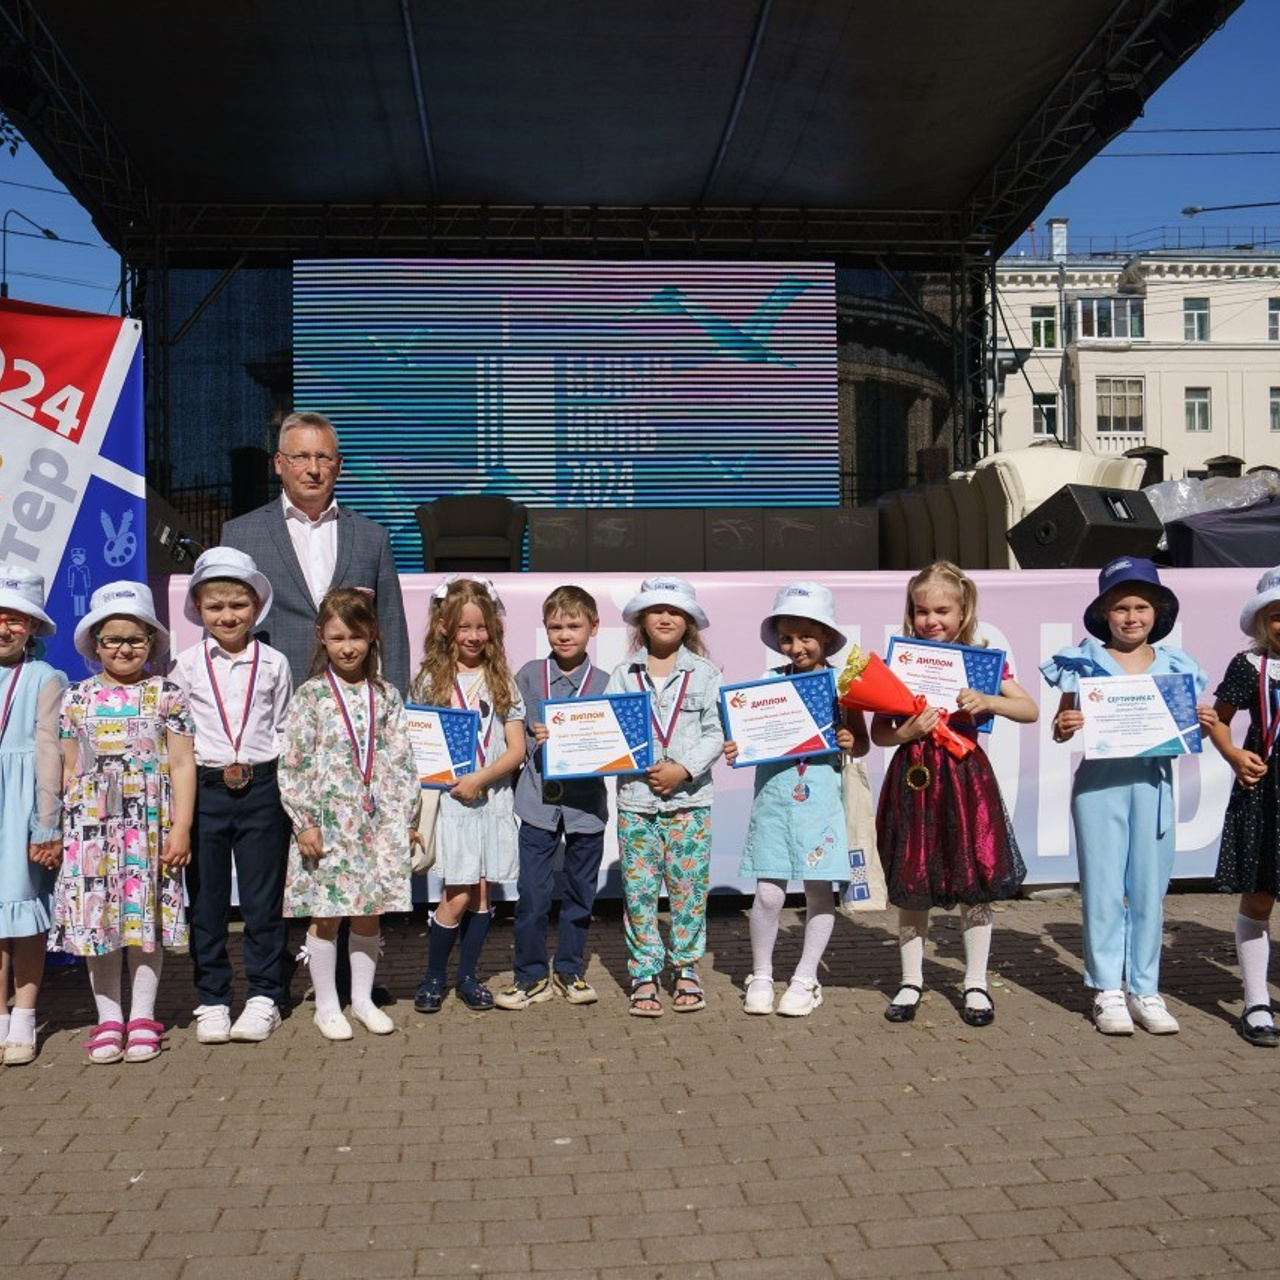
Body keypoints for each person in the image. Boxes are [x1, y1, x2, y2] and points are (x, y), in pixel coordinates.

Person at [1042, 557, 1212, 1036]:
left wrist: (1199, 723)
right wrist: (1065, 725)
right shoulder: (1081, 660)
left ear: (1158, 611)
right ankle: (1106, 990)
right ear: (1103, 612)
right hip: (1100, 788)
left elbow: (1185, 727)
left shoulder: (1178, 666)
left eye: (1140, 606)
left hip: (1154, 787)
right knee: (1101, 890)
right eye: (1120, 607)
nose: (1131, 617)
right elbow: (1061, 728)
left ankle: (1145, 988)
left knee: (1149, 892)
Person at [871, 561, 1036, 1028]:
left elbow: (1028, 708)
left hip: (965, 781)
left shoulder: (983, 660)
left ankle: (976, 982)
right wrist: (907, 730)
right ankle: (910, 980)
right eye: (922, 611)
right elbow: (880, 733)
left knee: (975, 881)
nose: (932, 620)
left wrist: (990, 701)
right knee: (912, 882)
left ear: (964, 610)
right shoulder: (898, 664)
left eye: (942, 610)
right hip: (914, 778)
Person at [53, 583, 195, 1064]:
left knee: (143, 920)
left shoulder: (167, 695)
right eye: (112, 639)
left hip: (150, 827)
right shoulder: (75, 699)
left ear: (151, 642)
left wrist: (180, 828)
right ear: (95, 644)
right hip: (93, 829)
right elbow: (69, 768)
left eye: (135, 638)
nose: (124, 648)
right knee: (101, 922)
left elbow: (181, 765)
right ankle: (109, 1019)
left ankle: (142, 1018)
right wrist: (64, 830)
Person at [278, 588, 419, 1041]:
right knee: (326, 912)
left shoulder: (387, 694)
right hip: (328, 821)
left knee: (369, 912)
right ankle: (326, 1005)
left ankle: (361, 999)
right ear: (322, 637)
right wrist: (305, 822)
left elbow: (401, 760)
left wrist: (408, 818)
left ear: (373, 634)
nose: (348, 646)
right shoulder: (311, 695)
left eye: (357, 636)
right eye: (338, 637)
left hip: (376, 825)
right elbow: (294, 762)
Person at [726, 582, 869, 1018]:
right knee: (768, 895)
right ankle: (762, 973)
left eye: (806, 636)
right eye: (787, 637)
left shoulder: (845, 687)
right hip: (773, 799)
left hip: (821, 801)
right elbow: (743, 738)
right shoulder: (766, 685)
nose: (795, 646)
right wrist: (738, 746)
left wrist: (848, 737)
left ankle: (806, 977)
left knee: (818, 892)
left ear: (826, 636)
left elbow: (860, 743)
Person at [171, 548, 293, 1045]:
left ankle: (265, 995)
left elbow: (283, 726)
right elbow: (175, 737)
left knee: (264, 900)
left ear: (256, 607)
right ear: (199, 609)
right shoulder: (185, 665)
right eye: (215, 606)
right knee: (207, 899)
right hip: (206, 788)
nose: (227, 616)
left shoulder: (275, 662)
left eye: (238, 605)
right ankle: (212, 998)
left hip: (263, 786)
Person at [221, 411, 409, 694]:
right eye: (300, 457)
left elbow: (391, 629)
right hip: (269, 702)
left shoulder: (373, 537)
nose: (313, 469)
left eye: (323, 457)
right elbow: (222, 627)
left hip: (354, 702)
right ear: (279, 463)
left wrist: (396, 704)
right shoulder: (241, 535)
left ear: (339, 466)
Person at [605, 576, 723, 1017]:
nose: (666, 617)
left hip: (690, 802)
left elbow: (717, 732)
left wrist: (683, 769)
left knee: (688, 891)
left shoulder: (707, 674)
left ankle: (687, 968)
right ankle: (644, 973)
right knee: (638, 893)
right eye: (656, 610)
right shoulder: (622, 674)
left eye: (675, 610)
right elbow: (607, 731)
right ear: (642, 619)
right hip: (636, 802)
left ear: (689, 620)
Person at [411, 576, 525, 1014]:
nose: (474, 637)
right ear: (443, 627)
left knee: (482, 893)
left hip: (491, 800)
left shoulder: (503, 682)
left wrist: (480, 777)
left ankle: (467, 977)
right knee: (456, 894)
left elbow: (515, 750)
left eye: (481, 628)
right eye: (464, 628)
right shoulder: (428, 682)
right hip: (452, 804)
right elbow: (418, 746)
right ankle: (433, 977)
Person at [495, 585, 611, 1010]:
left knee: (581, 894)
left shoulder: (607, 683)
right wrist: (533, 737)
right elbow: (513, 735)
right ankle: (529, 976)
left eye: (574, 626)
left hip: (585, 809)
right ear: (544, 628)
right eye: (555, 626)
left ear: (593, 628)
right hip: (537, 805)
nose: (564, 634)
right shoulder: (528, 675)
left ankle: (570, 970)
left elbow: (615, 748)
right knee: (533, 895)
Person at [1204, 564, 1280, 1047]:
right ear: (1261, 622)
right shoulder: (1248, 665)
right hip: (1267, 791)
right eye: (1276, 615)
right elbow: (1218, 719)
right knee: (1259, 895)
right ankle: (1256, 1001)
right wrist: (1233, 754)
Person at [0, 567, 65, 1064]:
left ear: (32, 627)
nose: (4, 628)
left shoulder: (44, 677)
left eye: (16, 619)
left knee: (23, 914)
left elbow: (49, 754)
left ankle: (24, 1014)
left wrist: (46, 825)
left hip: (20, 807)